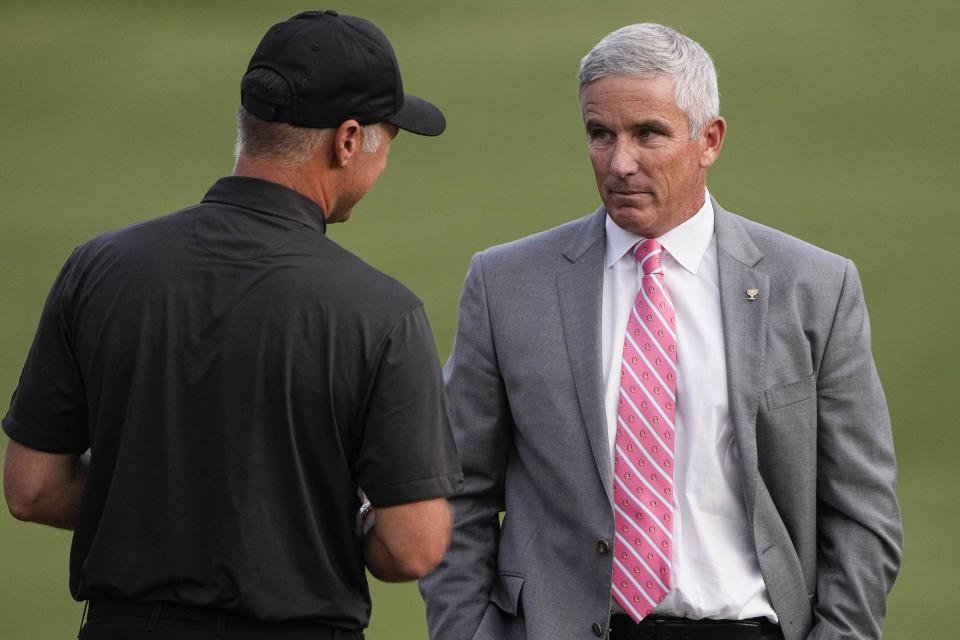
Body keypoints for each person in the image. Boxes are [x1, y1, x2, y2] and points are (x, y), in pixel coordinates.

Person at [419, 22, 901, 640]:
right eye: (601, 134)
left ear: (710, 140)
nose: (620, 163)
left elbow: (863, 511)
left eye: (648, 133)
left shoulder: (815, 287)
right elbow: (460, 491)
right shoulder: (505, 283)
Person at [3, 10, 462, 639]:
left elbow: (32, 489)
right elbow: (412, 548)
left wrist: (162, 502)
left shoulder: (98, 268)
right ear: (347, 140)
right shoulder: (382, 314)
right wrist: (301, 516)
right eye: (389, 140)